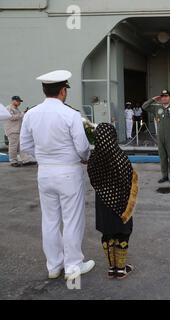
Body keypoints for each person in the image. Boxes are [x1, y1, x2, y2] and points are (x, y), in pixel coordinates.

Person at [20, 70, 95, 280]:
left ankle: (53, 265)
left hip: (44, 172)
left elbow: (25, 145)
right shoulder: (70, 114)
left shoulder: (31, 114)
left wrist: (45, 158)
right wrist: (84, 157)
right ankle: (73, 266)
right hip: (69, 172)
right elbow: (82, 147)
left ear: (45, 90)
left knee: (50, 219)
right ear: (63, 91)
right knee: (72, 219)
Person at [87, 123, 138, 280]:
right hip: (121, 203)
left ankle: (112, 268)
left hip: (103, 202)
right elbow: (130, 178)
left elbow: (92, 178)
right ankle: (121, 269)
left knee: (107, 233)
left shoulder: (94, 158)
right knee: (122, 232)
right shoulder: (119, 156)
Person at [142, 90, 170, 184]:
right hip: (160, 137)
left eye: (166, 96)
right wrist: (153, 99)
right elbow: (144, 106)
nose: (164, 98)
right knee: (162, 157)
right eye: (162, 96)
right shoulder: (157, 108)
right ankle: (164, 176)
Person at [4, 96, 36, 167]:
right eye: (18, 101)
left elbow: (19, 116)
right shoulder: (8, 108)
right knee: (13, 147)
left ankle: (26, 160)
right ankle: (13, 161)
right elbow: (11, 117)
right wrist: (22, 114)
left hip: (18, 130)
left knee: (21, 146)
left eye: (19, 102)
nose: (19, 103)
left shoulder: (17, 109)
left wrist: (24, 113)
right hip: (12, 131)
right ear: (13, 101)